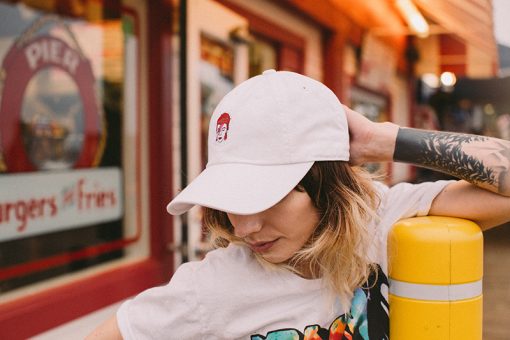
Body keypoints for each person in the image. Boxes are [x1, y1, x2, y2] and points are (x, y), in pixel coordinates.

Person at [87, 70, 510, 339]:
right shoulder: (213, 286)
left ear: (325, 185)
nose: (245, 226)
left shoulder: (380, 220)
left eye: (266, 196)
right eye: (231, 200)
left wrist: (384, 140)